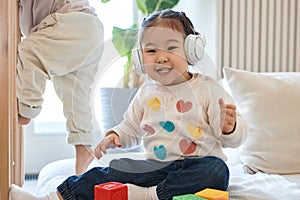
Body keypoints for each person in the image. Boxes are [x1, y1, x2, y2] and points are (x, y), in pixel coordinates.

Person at [10, 9, 247, 200]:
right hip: (154, 168)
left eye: (171, 47)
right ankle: (51, 198)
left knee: (217, 171)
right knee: (109, 171)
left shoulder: (208, 89)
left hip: (196, 168)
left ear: (192, 49)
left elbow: (235, 140)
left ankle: (149, 196)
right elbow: (131, 128)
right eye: (151, 50)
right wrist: (116, 135)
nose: (161, 57)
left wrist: (229, 128)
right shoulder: (146, 92)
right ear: (140, 58)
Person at [17, 0, 104, 175]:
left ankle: (27, 107)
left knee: (30, 53)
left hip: (70, 24)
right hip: (89, 29)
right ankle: (84, 147)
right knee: (75, 97)